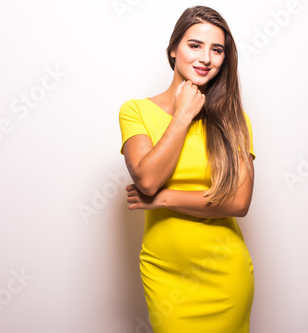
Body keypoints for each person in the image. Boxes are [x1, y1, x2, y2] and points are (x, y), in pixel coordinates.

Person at [118, 5, 256, 332]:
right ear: (173, 50)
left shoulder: (236, 120)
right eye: (195, 45)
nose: (206, 58)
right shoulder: (135, 111)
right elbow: (148, 180)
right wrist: (183, 114)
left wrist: (164, 200)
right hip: (165, 275)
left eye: (217, 49)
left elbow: (238, 203)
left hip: (225, 276)